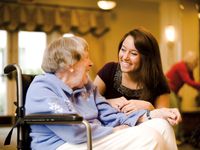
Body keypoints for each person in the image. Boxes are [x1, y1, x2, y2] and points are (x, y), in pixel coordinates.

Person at [25, 36, 181, 150]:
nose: (91, 63)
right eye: (86, 58)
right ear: (70, 64)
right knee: (149, 138)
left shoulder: (87, 87)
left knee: (161, 126)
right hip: (63, 144)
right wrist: (112, 131)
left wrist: (149, 115)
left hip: (94, 137)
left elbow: (111, 116)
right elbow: (73, 131)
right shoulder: (42, 88)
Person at [94, 28, 170, 115]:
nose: (125, 57)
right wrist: (108, 102)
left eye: (133, 53)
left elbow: (163, 122)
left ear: (147, 59)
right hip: (109, 128)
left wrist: (150, 108)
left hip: (143, 128)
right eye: (123, 50)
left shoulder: (158, 82)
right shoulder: (109, 70)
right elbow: (87, 103)